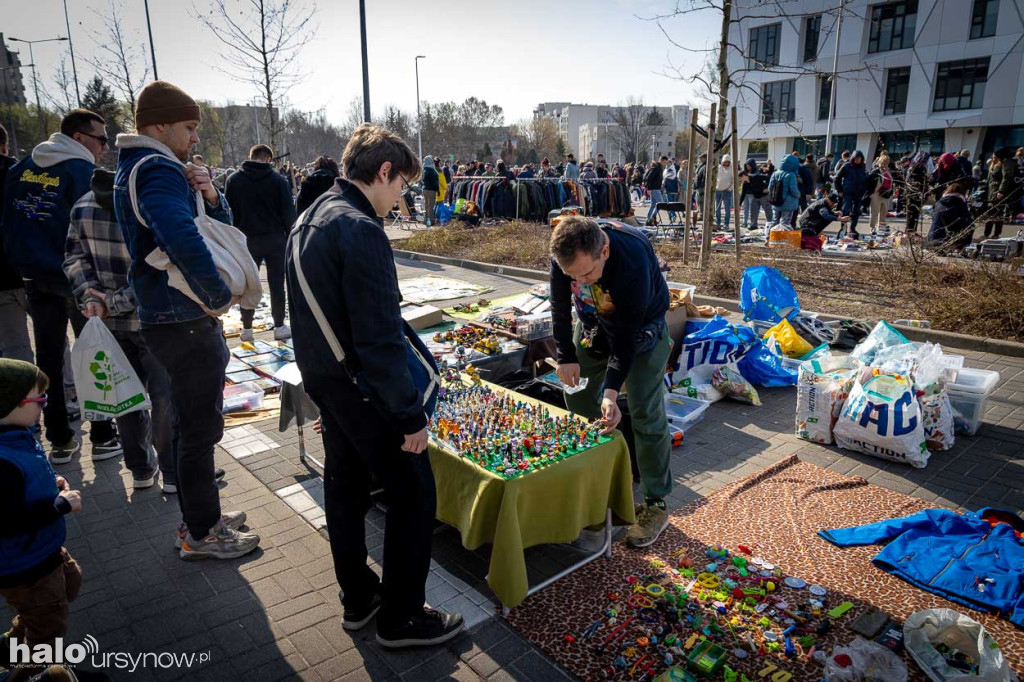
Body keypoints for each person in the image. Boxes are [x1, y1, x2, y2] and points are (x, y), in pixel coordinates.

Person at [285, 123, 463, 648]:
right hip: (365, 391)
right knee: (412, 495)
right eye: (402, 185)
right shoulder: (360, 229)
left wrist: (327, 395)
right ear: (382, 172)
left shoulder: (311, 217)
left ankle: (360, 597)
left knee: (344, 488)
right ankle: (402, 617)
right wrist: (409, 417)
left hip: (331, 383)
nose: (401, 197)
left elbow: (309, 318)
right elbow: (379, 336)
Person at [114, 80, 259, 560]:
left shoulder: (143, 167)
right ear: (158, 126)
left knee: (192, 423)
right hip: (183, 318)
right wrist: (216, 293)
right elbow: (178, 233)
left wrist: (212, 197)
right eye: (190, 127)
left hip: (172, 317)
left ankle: (204, 515)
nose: (196, 138)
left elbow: (207, 225)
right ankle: (201, 532)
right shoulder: (156, 168)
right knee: (198, 429)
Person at [0, 109, 120, 463]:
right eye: (101, 139)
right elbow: (93, 231)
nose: (104, 146)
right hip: (77, 279)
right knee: (92, 355)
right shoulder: (81, 171)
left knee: (49, 357)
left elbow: (8, 223)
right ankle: (101, 436)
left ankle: (60, 439)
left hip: (35, 277)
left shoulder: (21, 168)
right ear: (80, 138)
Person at [549, 217, 673, 548]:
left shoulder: (631, 257)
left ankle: (656, 503)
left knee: (645, 412)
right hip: (593, 325)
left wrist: (611, 391)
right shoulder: (564, 250)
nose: (580, 281)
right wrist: (565, 356)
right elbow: (560, 307)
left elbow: (626, 338)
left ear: (604, 251)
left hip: (640, 331)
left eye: (586, 275)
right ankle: (599, 483)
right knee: (576, 397)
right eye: (572, 276)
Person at [64, 164, 174, 492]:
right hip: (149, 318)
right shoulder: (141, 207)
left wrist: (90, 297)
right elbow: (156, 272)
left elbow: (73, 260)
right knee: (163, 395)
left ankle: (140, 469)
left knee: (124, 395)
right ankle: (170, 471)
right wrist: (112, 302)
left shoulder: (82, 206)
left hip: (108, 321)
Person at [0, 360, 86, 682]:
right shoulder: (3, 461)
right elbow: (6, 520)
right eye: (40, 400)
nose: (45, 406)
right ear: (11, 405)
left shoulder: (15, 437)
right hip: (25, 565)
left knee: (69, 584)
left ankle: (11, 645)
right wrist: (57, 506)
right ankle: (30, 675)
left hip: (39, 552)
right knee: (50, 629)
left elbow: (24, 485)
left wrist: (52, 485)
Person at [225, 143, 297, 343]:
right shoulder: (278, 181)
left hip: (245, 239)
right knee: (276, 285)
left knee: (248, 285)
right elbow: (289, 216)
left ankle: (247, 328)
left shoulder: (234, 180)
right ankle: (279, 326)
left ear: (250, 156)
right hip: (275, 239)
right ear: (269, 160)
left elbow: (228, 212)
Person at [0, 124, 31, 364]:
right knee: (51, 337)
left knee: (14, 348)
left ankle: (24, 399)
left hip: (2, 281)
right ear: (4, 146)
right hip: (34, 271)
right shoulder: (23, 174)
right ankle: (66, 390)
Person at [984, 147, 1023, 239]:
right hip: (992, 192)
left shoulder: (1006, 163)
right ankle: (990, 234)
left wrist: (1001, 191)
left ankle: (991, 234)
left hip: (998, 192)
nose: (994, 159)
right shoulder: (996, 164)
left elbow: (1007, 177)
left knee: (994, 213)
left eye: (995, 157)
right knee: (994, 213)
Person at [927, 180, 974, 252]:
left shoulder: (939, 202)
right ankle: (961, 246)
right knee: (970, 226)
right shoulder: (960, 202)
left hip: (934, 238)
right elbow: (967, 217)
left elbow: (931, 212)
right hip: (951, 230)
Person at [765, 153, 801, 240]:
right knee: (785, 222)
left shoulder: (775, 173)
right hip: (788, 203)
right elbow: (793, 190)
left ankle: (769, 238)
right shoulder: (791, 175)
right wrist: (798, 195)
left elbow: (770, 188)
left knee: (774, 221)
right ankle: (780, 240)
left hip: (776, 201)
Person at [833, 150, 867, 238]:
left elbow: (865, 179)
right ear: (853, 158)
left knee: (856, 211)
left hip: (859, 193)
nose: (857, 160)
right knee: (845, 210)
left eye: (859, 158)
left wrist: (865, 190)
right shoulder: (847, 166)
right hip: (848, 192)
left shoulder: (862, 167)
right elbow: (837, 178)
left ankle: (853, 228)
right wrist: (839, 190)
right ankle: (843, 228)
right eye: (856, 158)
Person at [865, 152, 895, 235]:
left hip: (886, 195)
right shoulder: (876, 171)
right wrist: (870, 193)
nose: (884, 164)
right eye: (883, 162)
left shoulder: (889, 171)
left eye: (886, 163)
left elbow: (891, 182)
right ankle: (872, 228)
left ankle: (881, 228)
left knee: (883, 213)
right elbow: (868, 182)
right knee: (874, 212)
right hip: (876, 194)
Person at [903, 151, 931, 234]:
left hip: (917, 194)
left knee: (915, 214)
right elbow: (912, 180)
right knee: (911, 213)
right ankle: (909, 231)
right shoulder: (915, 167)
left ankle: (912, 231)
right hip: (913, 194)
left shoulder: (920, 168)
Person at [739, 158, 771, 230]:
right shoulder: (745, 184)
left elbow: (768, 178)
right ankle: (753, 225)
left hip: (764, 196)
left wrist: (768, 187)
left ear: (744, 176)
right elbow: (743, 193)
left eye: (741, 178)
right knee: (753, 211)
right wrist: (739, 204)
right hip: (755, 196)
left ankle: (771, 224)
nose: (740, 181)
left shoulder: (755, 176)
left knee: (768, 211)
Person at [644, 156, 666, 224]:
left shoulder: (657, 168)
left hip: (655, 188)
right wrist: (649, 188)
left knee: (653, 205)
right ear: (661, 161)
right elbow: (648, 178)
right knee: (660, 204)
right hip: (654, 188)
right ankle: (651, 218)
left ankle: (648, 219)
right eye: (665, 162)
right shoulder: (656, 168)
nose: (665, 164)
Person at [714, 154, 734, 227]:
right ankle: (718, 222)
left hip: (727, 191)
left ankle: (726, 223)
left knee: (727, 208)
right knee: (717, 208)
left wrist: (730, 188)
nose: (726, 163)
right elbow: (715, 178)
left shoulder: (732, 169)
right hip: (718, 190)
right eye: (725, 161)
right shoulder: (718, 168)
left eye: (728, 162)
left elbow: (733, 180)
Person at [420, 154, 439, 227]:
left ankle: (425, 219)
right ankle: (431, 220)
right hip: (431, 190)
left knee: (426, 205)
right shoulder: (431, 170)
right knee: (431, 206)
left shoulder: (424, 169)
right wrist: (437, 190)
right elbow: (435, 182)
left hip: (425, 189)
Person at [692, 153, 707, 218]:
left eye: (702, 158)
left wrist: (701, 185)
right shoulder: (701, 165)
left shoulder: (706, 166)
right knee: (698, 201)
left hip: (701, 187)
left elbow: (704, 177)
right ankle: (701, 214)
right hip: (698, 186)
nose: (700, 159)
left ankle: (702, 215)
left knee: (701, 201)